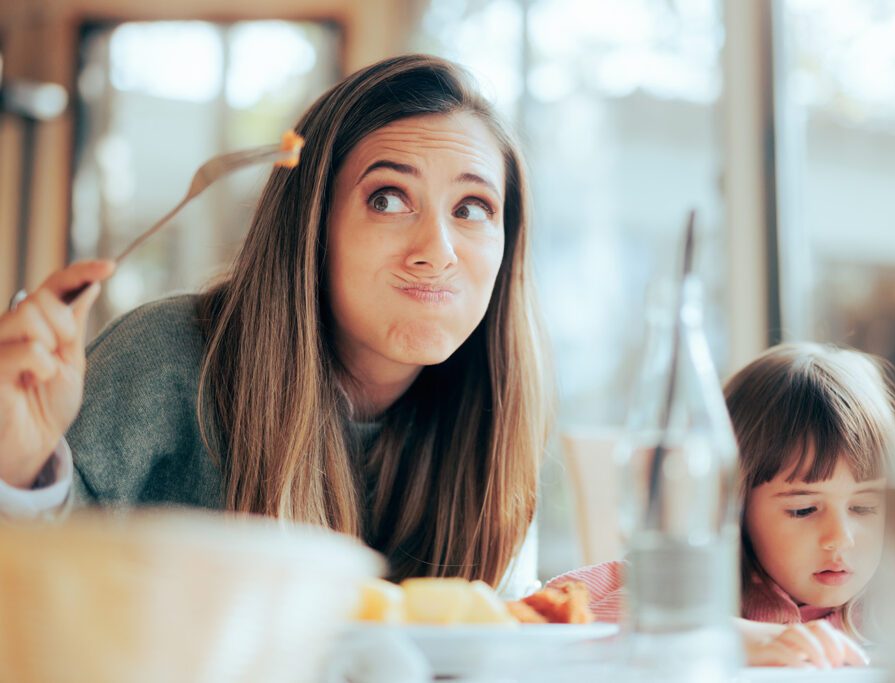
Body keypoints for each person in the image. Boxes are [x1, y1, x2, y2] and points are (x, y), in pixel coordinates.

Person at [0, 54, 554, 593]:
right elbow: (34, 593)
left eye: (472, 208)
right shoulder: (163, 358)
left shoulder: (496, 416)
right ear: (312, 226)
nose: (437, 251)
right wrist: (20, 472)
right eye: (387, 199)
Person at [546, 343, 895, 668]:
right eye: (803, 510)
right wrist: (721, 636)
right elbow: (549, 621)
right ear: (734, 506)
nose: (840, 538)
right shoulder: (688, 583)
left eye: (864, 508)